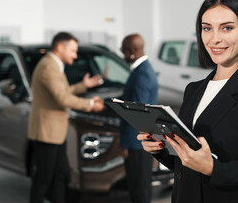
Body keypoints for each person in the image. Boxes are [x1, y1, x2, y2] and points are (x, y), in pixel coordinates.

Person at [138, 0, 238, 203]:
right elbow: (187, 162)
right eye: (207, 28)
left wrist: (213, 169)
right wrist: (160, 149)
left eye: (226, 28)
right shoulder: (194, 90)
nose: (214, 39)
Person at [28, 32, 105, 203]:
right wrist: (91, 104)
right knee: (43, 179)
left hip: (55, 134)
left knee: (61, 175)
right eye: (73, 51)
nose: (75, 55)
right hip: (47, 134)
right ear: (60, 47)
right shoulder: (49, 67)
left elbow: (62, 93)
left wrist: (82, 86)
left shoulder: (53, 65)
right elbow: (62, 99)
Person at [119, 33, 158, 203]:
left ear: (133, 51)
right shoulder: (144, 69)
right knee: (140, 187)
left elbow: (135, 114)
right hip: (141, 141)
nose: (123, 55)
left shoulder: (141, 74)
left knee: (139, 189)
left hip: (137, 143)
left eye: (124, 51)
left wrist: (125, 144)